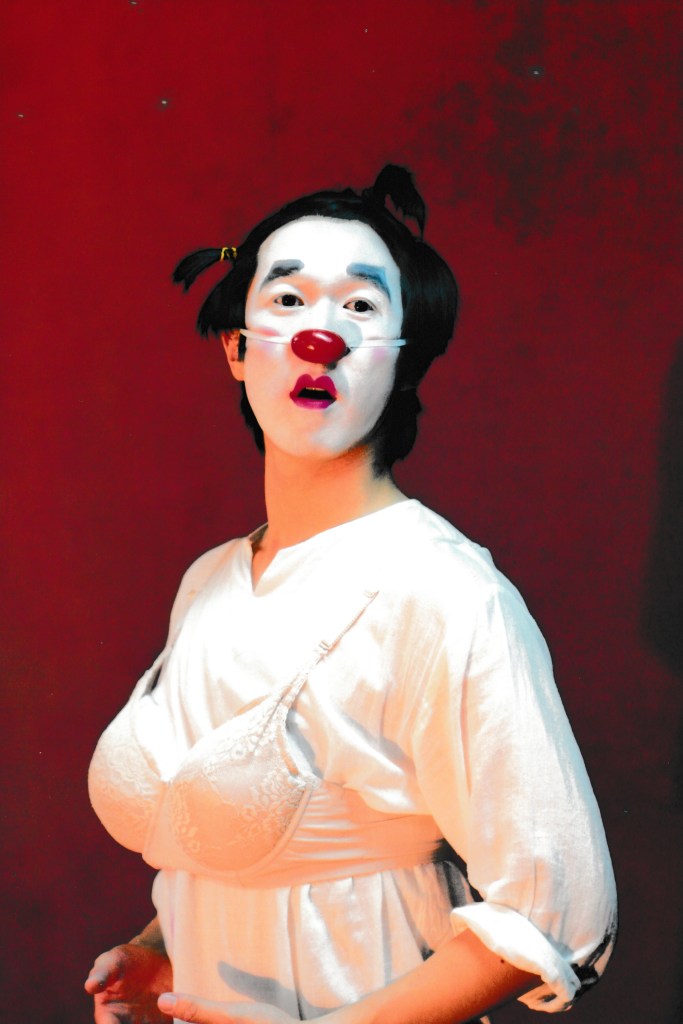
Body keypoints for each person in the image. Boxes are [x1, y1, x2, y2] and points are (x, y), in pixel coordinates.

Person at [85, 166, 617, 1024]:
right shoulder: (210, 580)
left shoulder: (445, 592)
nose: (318, 336)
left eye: (361, 307)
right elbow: (267, 850)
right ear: (236, 347)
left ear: (401, 361)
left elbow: (551, 912)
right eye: (288, 300)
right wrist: (162, 950)